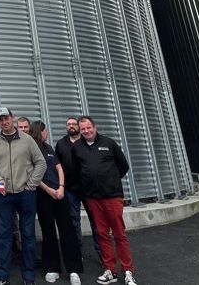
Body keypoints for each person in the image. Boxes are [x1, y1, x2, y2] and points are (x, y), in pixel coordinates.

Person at [0, 107, 46, 285]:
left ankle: (29, 276)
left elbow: (40, 163)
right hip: (4, 195)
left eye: (6, 118)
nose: (4, 122)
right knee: (3, 236)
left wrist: (31, 184)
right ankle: (2, 275)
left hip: (26, 195)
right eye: (0, 119)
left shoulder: (27, 140)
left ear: (12, 118)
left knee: (28, 235)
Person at [71, 116, 137, 285]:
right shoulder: (77, 147)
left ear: (95, 127)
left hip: (112, 196)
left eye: (88, 128)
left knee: (119, 233)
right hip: (93, 198)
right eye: (83, 129)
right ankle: (110, 270)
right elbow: (77, 170)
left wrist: (111, 180)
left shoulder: (109, 143)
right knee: (102, 234)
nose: (86, 131)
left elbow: (123, 166)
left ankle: (128, 271)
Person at [30, 121, 83, 285]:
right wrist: (49, 190)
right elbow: (32, 173)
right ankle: (52, 268)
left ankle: (73, 269)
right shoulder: (31, 149)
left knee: (67, 230)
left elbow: (59, 168)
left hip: (59, 194)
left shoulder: (49, 148)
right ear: (41, 131)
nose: (47, 134)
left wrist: (60, 187)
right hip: (43, 194)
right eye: (45, 131)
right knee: (49, 232)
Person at [55, 116, 102, 262]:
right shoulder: (61, 144)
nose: (71, 126)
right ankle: (77, 254)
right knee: (74, 222)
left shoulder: (86, 142)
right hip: (70, 189)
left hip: (89, 189)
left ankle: (103, 255)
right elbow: (58, 166)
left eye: (74, 124)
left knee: (96, 221)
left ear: (79, 127)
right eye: (68, 124)